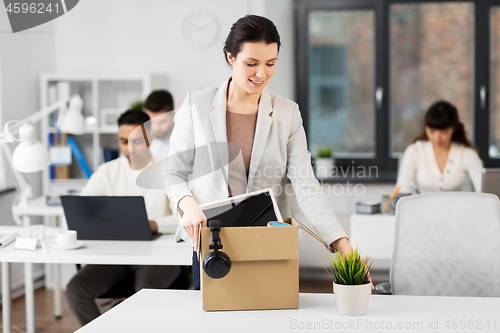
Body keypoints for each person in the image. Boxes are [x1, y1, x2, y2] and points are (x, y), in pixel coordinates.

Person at [164, 15, 357, 290]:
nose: (261, 74)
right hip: (211, 239)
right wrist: (188, 205)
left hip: (267, 241)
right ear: (230, 57)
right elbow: (173, 173)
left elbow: (305, 185)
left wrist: (341, 242)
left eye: (270, 63)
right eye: (251, 63)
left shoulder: (287, 113)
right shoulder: (196, 105)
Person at [66, 109, 188, 326]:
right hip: (116, 254)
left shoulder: (169, 168)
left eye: (137, 141)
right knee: (76, 290)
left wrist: (152, 224)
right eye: (123, 141)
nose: (129, 148)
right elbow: (83, 206)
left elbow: (183, 217)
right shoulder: (107, 171)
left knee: (142, 297)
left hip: (158, 255)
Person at [396, 100, 483, 193]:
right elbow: (401, 191)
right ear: (425, 127)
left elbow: (484, 189)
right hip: (423, 207)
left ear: (453, 128)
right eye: (432, 131)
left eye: (444, 132)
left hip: (457, 207)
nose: (437, 137)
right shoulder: (414, 151)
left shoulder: (466, 153)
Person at [143, 90, 175, 158]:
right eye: (151, 122)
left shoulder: (186, 141)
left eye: (162, 122)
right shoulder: (142, 141)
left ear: (173, 115)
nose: (156, 128)